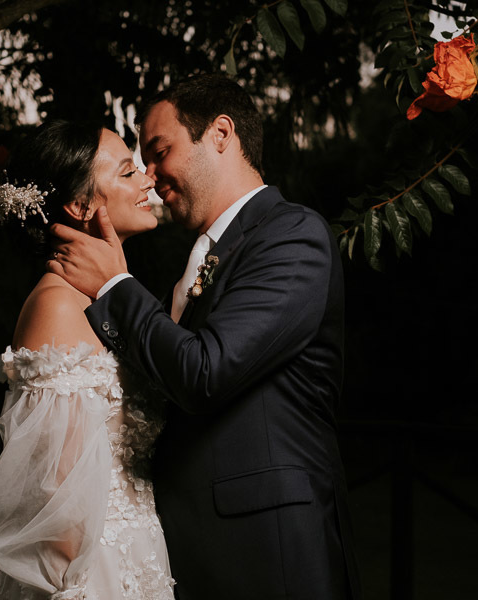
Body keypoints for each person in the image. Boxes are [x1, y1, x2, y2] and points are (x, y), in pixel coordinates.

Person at [48, 74, 361, 600]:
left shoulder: (292, 235)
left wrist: (113, 285)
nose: (150, 178)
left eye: (159, 152)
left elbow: (205, 372)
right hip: (191, 554)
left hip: (269, 554)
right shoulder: (198, 260)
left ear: (220, 134)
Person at [0, 120, 176, 600]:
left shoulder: (104, 299)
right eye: (127, 172)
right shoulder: (57, 306)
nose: (147, 179)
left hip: (141, 554)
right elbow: (56, 504)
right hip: (93, 573)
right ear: (80, 206)